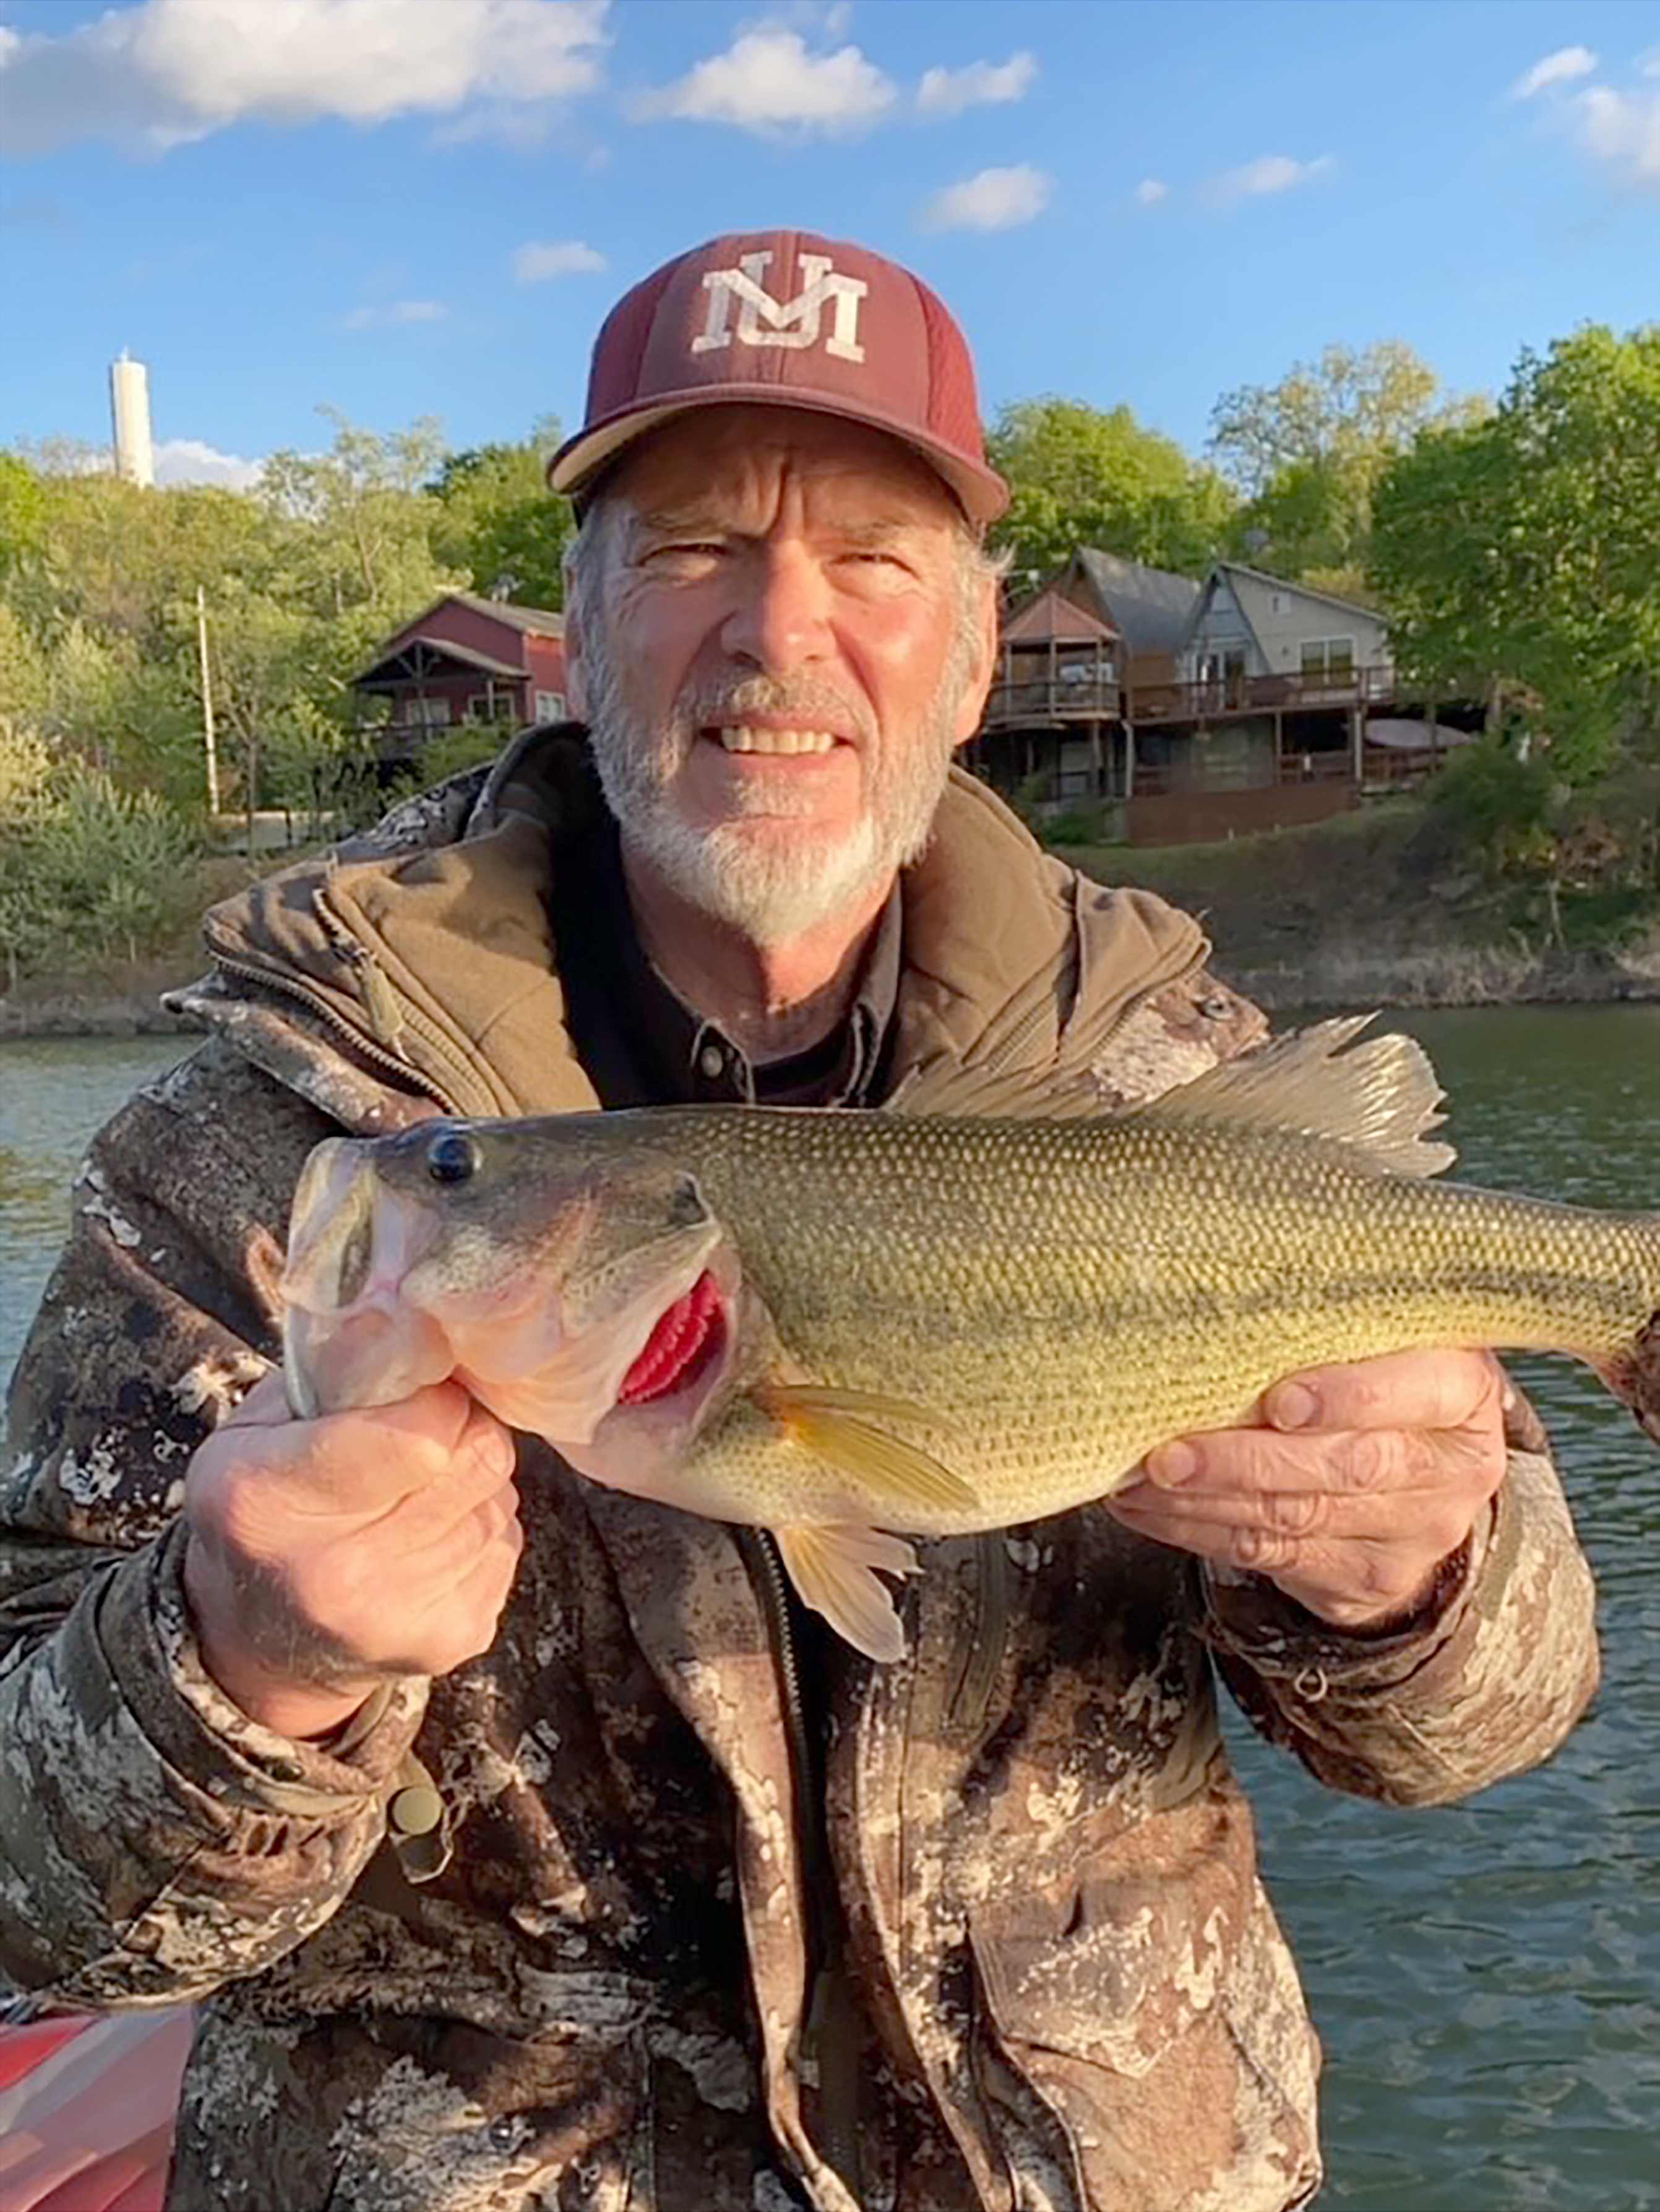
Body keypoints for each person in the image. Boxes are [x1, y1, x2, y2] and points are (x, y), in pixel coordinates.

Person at [0, 230, 1598, 2212]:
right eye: (687, 552)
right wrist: (233, 1670)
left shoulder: (1177, 1090)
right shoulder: (254, 1153)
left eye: (872, 558)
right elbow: (31, 1928)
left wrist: (1414, 1582)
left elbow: (1472, 1733)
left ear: (976, 644)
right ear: (570, 634)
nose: (779, 633)